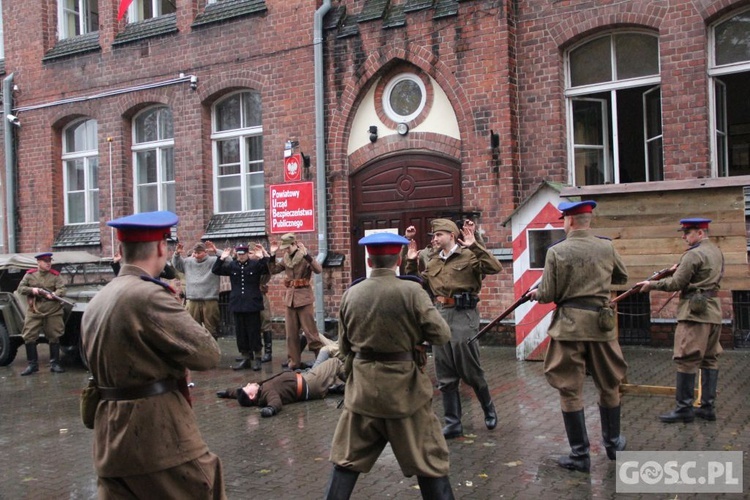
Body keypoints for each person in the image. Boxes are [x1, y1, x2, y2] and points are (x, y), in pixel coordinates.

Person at [81, 211, 225, 499]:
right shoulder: (149, 295)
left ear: (121, 251)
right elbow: (208, 354)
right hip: (156, 438)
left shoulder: (98, 299)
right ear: (162, 248)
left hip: (109, 439)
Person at [325, 232, 454, 500]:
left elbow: (344, 347)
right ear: (397, 260)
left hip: (362, 394)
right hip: (406, 396)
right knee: (429, 462)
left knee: (345, 462)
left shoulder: (352, 294)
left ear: (370, 261)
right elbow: (442, 335)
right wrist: (415, 340)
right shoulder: (412, 291)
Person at [527, 200, 629, 473]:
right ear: (588, 220)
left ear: (570, 221)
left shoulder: (557, 251)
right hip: (601, 326)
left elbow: (547, 294)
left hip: (570, 327)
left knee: (570, 389)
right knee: (609, 384)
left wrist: (536, 293)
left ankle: (580, 455)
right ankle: (613, 444)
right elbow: (622, 275)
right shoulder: (606, 246)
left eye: (563, 219)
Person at [404, 218, 502, 439]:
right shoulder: (433, 261)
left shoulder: (469, 255)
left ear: (450, 235)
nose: (435, 240)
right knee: (444, 370)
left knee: (470, 368)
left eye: (438, 235)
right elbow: (417, 284)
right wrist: (410, 262)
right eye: (434, 236)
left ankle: (488, 407)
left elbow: (494, 267)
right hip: (440, 314)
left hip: (464, 315)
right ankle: (453, 422)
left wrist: (475, 244)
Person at [636, 218, 724, 423]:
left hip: (694, 315)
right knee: (709, 359)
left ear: (700, 233)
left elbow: (677, 283)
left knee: (686, 359)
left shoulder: (693, 254)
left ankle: (684, 408)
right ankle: (707, 408)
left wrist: (651, 284)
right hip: (713, 312)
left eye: (688, 233)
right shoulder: (716, 251)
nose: (684, 236)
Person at [268, 233, 325, 370]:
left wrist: (308, 257)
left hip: (304, 299)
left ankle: (321, 361)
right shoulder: (286, 258)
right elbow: (274, 270)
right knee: (291, 334)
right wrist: (272, 255)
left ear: (295, 244)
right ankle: (294, 363)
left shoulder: (304, 256)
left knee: (311, 333)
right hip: (290, 300)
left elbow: (318, 270)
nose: (286, 250)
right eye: (284, 248)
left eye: (288, 247)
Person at [216, 357, 345, 415]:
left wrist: (228, 392)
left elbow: (239, 393)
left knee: (328, 367)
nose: (249, 383)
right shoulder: (268, 393)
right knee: (335, 362)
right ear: (251, 395)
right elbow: (275, 402)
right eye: (247, 386)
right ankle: (357, 385)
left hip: (306, 379)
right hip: (309, 383)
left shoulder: (260, 390)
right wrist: (270, 409)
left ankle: (339, 387)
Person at [212, 243, 270, 370]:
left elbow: (266, 269)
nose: (241, 256)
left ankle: (258, 357)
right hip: (238, 303)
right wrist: (221, 258)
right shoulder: (232, 265)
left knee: (253, 331)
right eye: (239, 254)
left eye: (243, 254)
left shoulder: (254, 265)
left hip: (252, 304)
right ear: (236, 254)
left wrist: (262, 257)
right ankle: (245, 357)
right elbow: (215, 270)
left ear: (247, 253)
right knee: (241, 332)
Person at [17, 252, 68, 375]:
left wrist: (55, 294)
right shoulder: (30, 275)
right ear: (38, 262)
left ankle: (54, 364)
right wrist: (33, 290)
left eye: (49, 261)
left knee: (54, 335)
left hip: (52, 310)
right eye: (45, 261)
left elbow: (63, 289)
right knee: (29, 336)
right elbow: (20, 289)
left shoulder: (55, 276)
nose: (48, 263)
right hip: (35, 309)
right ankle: (32, 365)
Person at [172, 241, 222, 338]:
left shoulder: (213, 261)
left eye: (198, 253)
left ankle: (212, 351)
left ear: (205, 252)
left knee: (211, 329)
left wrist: (216, 251)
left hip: (209, 299)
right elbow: (177, 265)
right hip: (192, 299)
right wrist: (177, 254)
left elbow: (227, 260)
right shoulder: (188, 261)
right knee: (193, 329)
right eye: (194, 253)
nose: (195, 255)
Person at [259, 270, 274, 362]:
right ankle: (253, 351)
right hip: (248, 296)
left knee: (265, 321)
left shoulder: (263, 262)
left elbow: (270, 268)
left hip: (260, 296)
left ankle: (268, 352)